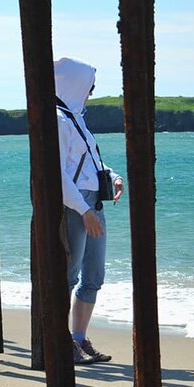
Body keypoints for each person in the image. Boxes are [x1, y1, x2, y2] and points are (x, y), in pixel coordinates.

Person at [55, 57, 124, 365]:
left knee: (93, 276)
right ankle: (60, 343)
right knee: (68, 276)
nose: (91, 93)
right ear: (75, 84)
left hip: (91, 202)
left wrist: (111, 176)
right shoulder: (58, 120)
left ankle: (78, 340)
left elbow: (90, 163)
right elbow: (59, 175)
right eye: (89, 87)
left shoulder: (75, 118)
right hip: (77, 206)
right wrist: (83, 210)